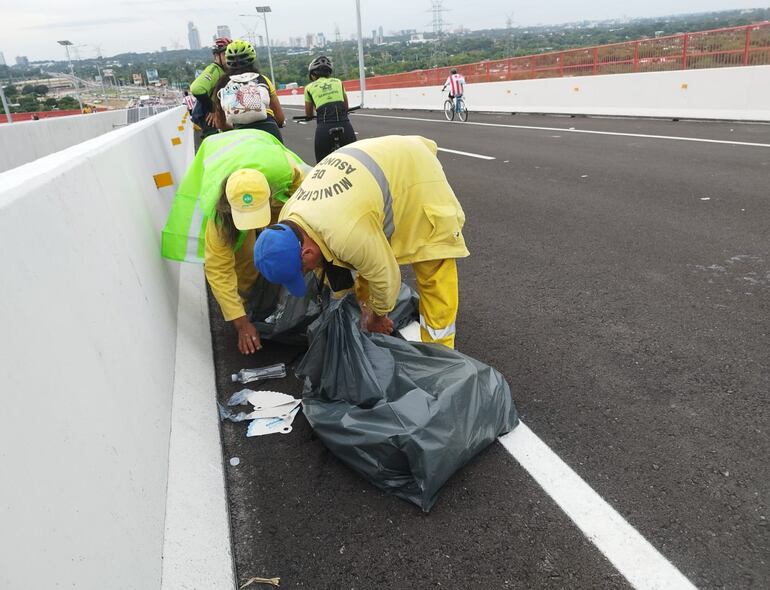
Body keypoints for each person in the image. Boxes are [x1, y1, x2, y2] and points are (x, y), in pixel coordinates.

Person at [253, 135, 469, 349]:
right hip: (371, 170)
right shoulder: (288, 218)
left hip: (415, 173)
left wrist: (377, 318)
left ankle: (441, 352)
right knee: (363, 254)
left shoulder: (345, 233)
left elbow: (386, 276)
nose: (307, 273)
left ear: (306, 253)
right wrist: (362, 306)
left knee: (432, 265)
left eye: (303, 270)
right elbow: (337, 264)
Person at [161, 129, 310, 353]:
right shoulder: (218, 212)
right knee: (243, 255)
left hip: (262, 150)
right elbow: (219, 269)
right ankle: (253, 298)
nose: (251, 224)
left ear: (271, 193)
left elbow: (307, 206)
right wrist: (240, 322)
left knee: (291, 235)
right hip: (221, 157)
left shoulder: (286, 172)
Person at [212, 39, 285, 143]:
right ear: (252, 59)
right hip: (269, 129)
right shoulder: (263, 79)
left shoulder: (222, 84)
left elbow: (220, 124)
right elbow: (280, 118)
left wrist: (233, 128)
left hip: (240, 135)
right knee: (283, 158)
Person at [303, 55, 356, 163]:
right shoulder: (338, 82)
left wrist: (310, 117)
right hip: (344, 123)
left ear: (313, 74)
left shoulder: (309, 88)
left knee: (321, 163)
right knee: (356, 159)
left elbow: (309, 113)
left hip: (324, 126)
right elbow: (346, 107)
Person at [190, 37, 230, 136]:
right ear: (217, 56)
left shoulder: (224, 71)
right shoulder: (213, 70)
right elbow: (196, 89)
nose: (229, 58)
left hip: (215, 120)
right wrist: (213, 109)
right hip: (206, 122)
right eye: (225, 54)